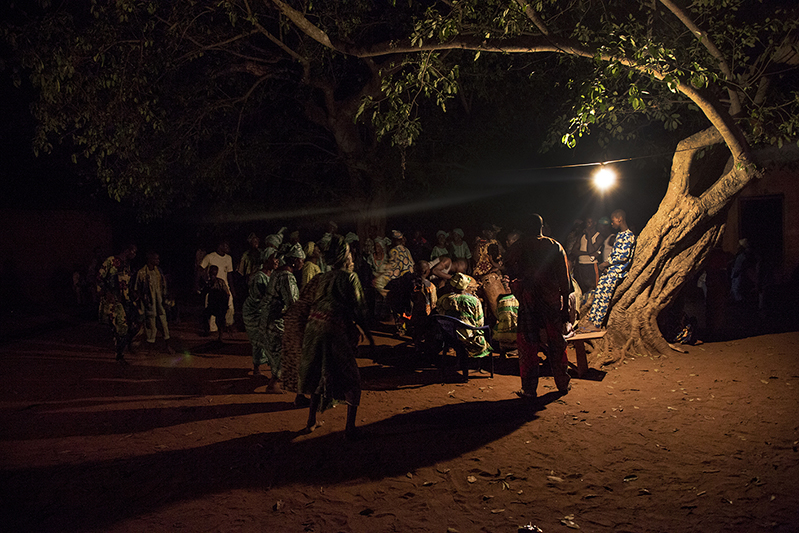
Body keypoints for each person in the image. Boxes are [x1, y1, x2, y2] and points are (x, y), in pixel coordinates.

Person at [299, 235, 375, 440]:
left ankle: (311, 421)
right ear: (344, 256)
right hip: (333, 330)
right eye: (349, 252)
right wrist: (370, 337)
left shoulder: (323, 277)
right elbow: (360, 310)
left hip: (313, 328)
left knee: (317, 372)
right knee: (351, 377)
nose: (351, 256)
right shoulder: (349, 277)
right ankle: (350, 428)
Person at [504, 213, 572, 399]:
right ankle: (563, 384)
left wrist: (518, 279)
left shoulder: (521, 245)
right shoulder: (554, 246)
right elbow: (565, 281)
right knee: (557, 343)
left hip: (529, 302)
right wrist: (565, 308)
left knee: (528, 345)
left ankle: (529, 389)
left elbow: (507, 262)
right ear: (542, 227)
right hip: (551, 303)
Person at [261, 251, 303, 393]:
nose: (302, 263)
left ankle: (276, 380)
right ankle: (274, 382)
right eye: (301, 260)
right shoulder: (286, 276)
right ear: (295, 260)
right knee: (284, 350)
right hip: (276, 319)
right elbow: (291, 301)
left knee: (277, 349)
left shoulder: (277, 273)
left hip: (268, 317)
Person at [586, 209, 636, 329]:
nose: (611, 223)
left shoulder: (629, 236)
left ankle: (597, 324)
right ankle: (591, 320)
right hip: (612, 270)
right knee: (599, 291)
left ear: (620, 219)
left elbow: (623, 256)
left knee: (605, 295)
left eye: (613, 220)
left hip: (619, 271)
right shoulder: (619, 235)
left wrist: (606, 264)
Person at [97, 244, 140, 365]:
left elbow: (127, 282)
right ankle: (119, 355)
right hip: (114, 301)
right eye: (133, 251)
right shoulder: (110, 261)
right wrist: (106, 293)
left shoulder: (127, 265)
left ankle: (125, 345)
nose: (134, 254)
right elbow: (99, 278)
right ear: (127, 250)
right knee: (122, 327)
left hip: (125, 300)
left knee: (136, 323)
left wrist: (133, 292)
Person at [436, 272, 492, 359]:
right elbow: (480, 321)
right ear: (466, 286)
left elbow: (441, 314)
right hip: (469, 338)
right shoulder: (474, 301)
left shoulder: (443, 299)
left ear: (452, 286)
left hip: (450, 337)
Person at [243, 250, 278, 377]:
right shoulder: (259, 277)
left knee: (267, 338)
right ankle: (257, 367)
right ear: (266, 260)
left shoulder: (273, 274)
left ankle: (270, 367)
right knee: (259, 339)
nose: (277, 261)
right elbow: (263, 298)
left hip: (263, 310)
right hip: (254, 311)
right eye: (274, 258)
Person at [134, 251, 175, 354]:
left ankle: (167, 346)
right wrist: (140, 303)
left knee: (164, 325)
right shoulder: (142, 273)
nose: (158, 261)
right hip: (149, 305)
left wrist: (167, 299)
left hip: (160, 303)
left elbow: (164, 287)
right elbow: (137, 289)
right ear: (150, 260)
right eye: (156, 259)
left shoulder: (159, 272)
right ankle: (149, 348)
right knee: (150, 326)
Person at [200, 241, 235, 333]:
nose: (228, 248)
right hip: (213, 287)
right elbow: (201, 269)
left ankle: (227, 325)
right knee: (211, 307)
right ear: (220, 246)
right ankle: (212, 329)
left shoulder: (228, 258)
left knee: (229, 307)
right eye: (226, 245)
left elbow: (229, 274)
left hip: (224, 286)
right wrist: (202, 282)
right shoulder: (210, 257)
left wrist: (232, 289)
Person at [374, 230, 415, 297]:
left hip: (401, 280)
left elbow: (392, 266)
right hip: (409, 279)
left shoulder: (394, 251)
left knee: (378, 283)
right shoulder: (407, 250)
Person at [201, 265, 232, 342]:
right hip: (212, 304)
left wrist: (225, 305)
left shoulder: (220, 282)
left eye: (214, 273)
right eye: (211, 273)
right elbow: (204, 292)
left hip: (220, 305)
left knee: (219, 321)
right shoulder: (208, 282)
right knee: (204, 315)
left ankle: (220, 336)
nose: (212, 275)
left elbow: (227, 294)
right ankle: (206, 331)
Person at [576, 216, 601, 292]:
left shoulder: (599, 236)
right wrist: (590, 253)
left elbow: (590, 250)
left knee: (593, 288)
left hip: (592, 265)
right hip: (581, 265)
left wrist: (589, 236)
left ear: (595, 223)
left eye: (590, 222)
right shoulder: (582, 236)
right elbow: (574, 251)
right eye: (587, 222)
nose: (587, 224)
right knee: (582, 289)